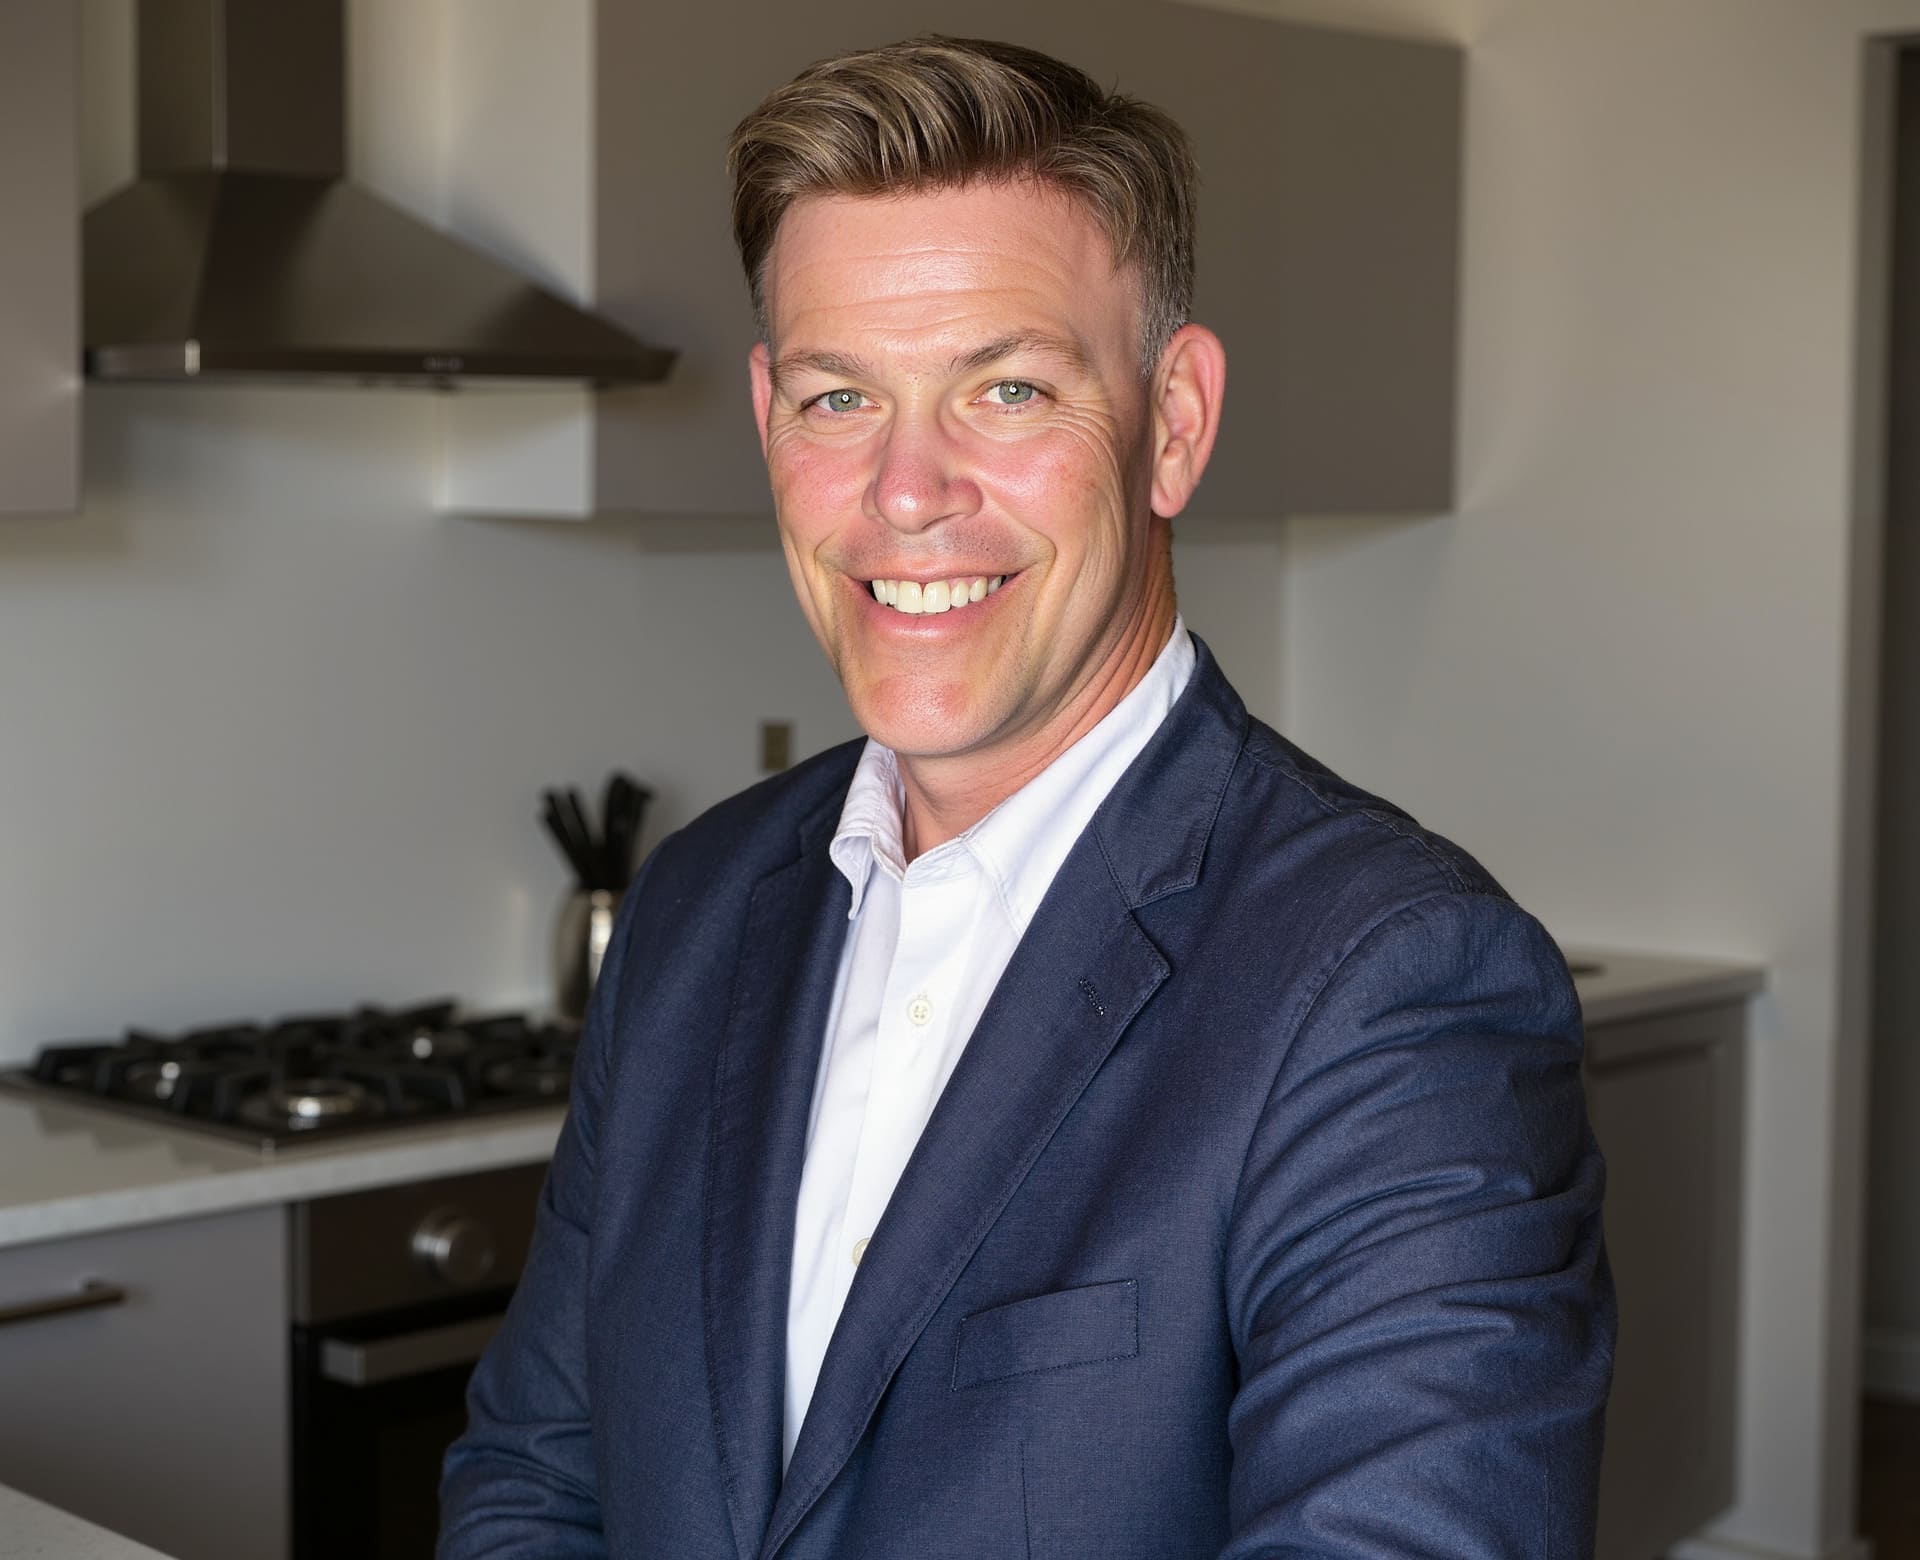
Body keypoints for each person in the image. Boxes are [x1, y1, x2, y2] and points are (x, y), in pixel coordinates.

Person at [439, 35, 1614, 1560]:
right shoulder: (697, 906)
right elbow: (537, 1478)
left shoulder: (1390, 984)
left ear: (1172, 423)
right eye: (839, 397)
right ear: (767, 414)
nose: (906, 492)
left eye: (1006, 388)